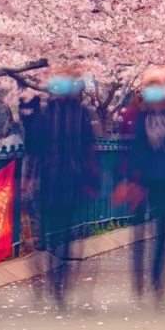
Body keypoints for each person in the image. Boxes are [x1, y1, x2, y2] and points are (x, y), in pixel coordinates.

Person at [22, 68, 99, 308]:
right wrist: (91, 178)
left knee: (52, 230)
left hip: (51, 178)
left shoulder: (45, 115)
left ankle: (52, 276)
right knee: (64, 231)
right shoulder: (82, 115)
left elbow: (34, 148)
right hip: (71, 179)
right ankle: (59, 283)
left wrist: (30, 177)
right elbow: (89, 148)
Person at [128, 67, 165, 302]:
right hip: (141, 179)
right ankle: (138, 275)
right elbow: (132, 147)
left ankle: (157, 276)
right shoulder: (137, 115)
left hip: (164, 179)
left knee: (161, 229)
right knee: (138, 228)